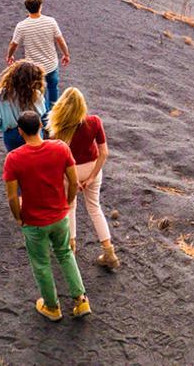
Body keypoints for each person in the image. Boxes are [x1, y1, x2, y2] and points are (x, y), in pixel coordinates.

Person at [3, 110, 92, 322]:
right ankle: (80, 300)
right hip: (60, 216)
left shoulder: (13, 159)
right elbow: (72, 180)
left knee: (41, 263)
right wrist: (68, 203)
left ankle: (52, 307)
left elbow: (12, 197)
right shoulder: (60, 148)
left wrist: (18, 218)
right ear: (41, 127)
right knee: (65, 254)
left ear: (20, 131)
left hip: (33, 221)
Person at [46, 87, 120, 270]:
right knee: (95, 208)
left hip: (69, 171)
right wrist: (92, 176)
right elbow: (104, 153)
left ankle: (71, 249)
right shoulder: (94, 122)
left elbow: (56, 158)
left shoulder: (58, 127)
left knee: (70, 207)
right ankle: (109, 252)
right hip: (92, 168)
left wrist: (73, 180)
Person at [6, 0, 70, 115]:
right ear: (40, 6)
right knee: (53, 88)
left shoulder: (22, 26)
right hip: (51, 65)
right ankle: (53, 115)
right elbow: (60, 40)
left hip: (34, 68)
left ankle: (44, 116)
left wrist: (9, 56)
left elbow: (14, 44)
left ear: (27, 8)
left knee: (40, 93)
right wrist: (66, 54)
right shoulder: (51, 21)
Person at [0, 60, 48, 152]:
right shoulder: (36, 94)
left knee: (16, 160)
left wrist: (5, 125)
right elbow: (42, 112)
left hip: (12, 135)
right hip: (33, 132)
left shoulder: (1, 94)